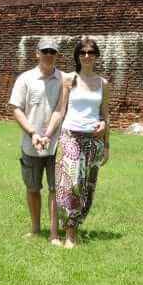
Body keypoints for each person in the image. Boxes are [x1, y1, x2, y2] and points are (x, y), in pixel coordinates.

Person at [46, 37, 109, 248]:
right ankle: (70, 236)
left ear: (97, 56)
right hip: (70, 137)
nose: (87, 56)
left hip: (93, 140)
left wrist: (106, 141)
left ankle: (74, 229)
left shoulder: (103, 83)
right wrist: (47, 135)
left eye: (91, 52)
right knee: (71, 187)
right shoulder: (69, 79)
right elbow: (60, 111)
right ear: (77, 56)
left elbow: (105, 115)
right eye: (83, 53)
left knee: (86, 188)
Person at [8, 38, 64, 243]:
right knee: (32, 188)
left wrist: (47, 135)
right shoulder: (25, 79)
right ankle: (35, 228)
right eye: (45, 51)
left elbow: (61, 110)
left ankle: (54, 233)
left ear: (57, 55)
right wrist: (33, 133)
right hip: (30, 143)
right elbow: (16, 108)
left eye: (53, 51)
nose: (49, 55)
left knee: (55, 189)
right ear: (37, 53)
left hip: (56, 143)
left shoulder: (64, 79)